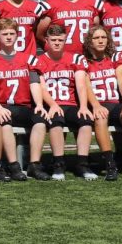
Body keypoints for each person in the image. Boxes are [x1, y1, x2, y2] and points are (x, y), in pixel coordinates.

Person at [0, 19, 43, 181]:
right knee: (4, 122)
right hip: (3, 106)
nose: (9, 37)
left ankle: (34, 164)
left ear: (17, 36)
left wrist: (39, 104)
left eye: (12, 34)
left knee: (40, 120)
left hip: (23, 105)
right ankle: (13, 165)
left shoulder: (28, 59)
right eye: (5, 34)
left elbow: (34, 83)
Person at [33, 24, 91, 181]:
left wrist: (84, 106)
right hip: (51, 105)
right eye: (53, 40)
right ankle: (58, 163)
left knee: (85, 120)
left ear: (66, 40)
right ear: (46, 40)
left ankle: (82, 163)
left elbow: (81, 84)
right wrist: (53, 105)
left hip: (71, 104)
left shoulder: (75, 58)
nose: (57, 43)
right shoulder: (39, 60)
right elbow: (42, 88)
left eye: (60, 40)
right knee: (56, 122)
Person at [82, 25, 122, 181]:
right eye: (96, 38)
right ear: (89, 42)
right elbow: (86, 87)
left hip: (114, 102)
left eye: (103, 37)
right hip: (98, 103)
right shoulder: (83, 61)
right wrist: (96, 105)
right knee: (100, 117)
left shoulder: (115, 57)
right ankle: (110, 164)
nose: (101, 40)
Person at [35, 0, 101, 56]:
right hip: (62, 59)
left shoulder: (92, 4)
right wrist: (52, 51)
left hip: (87, 57)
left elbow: (96, 31)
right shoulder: (50, 5)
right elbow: (40, 35)